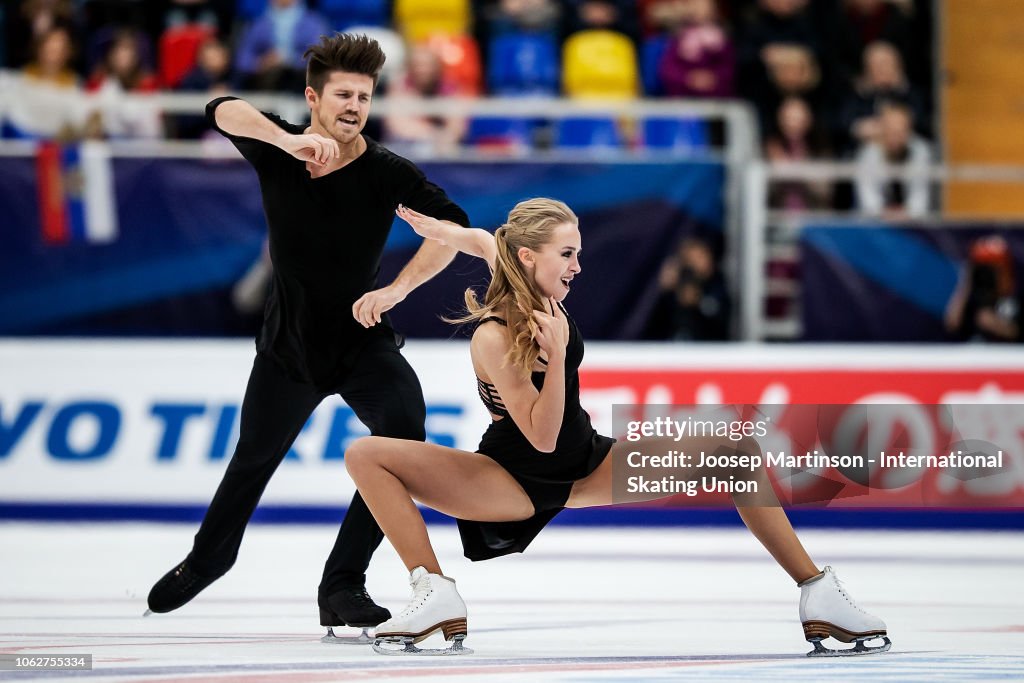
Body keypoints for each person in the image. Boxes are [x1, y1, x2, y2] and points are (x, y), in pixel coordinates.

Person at [341, 199, 891, 656]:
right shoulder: (496, 335)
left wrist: (445, 234)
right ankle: (434, 591)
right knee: (367, 454)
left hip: (586, 464)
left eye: (578, 251)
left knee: (736, 450)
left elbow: (488, 242)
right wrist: (554, 359)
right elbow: (541, 438)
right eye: (567, 253)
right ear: (530, 257)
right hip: (510, 480)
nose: (578, 265)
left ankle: (817, 594)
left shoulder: (530, 280)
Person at [145, 33, 472, 642]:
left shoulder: (386, 172)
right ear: (313, 97)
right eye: (343, 94)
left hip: (362, 342)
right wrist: (287, 139)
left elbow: (454, 227)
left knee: (405, 443)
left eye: (364, 97)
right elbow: (220, 108)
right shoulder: (278, 148)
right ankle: (209, 559)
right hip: (288, 349)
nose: (353, 106)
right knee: (252, 461)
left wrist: (397, 290)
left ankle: (342, 584)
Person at [945, 235, 1022, 343]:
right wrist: (967, 282)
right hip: (978, 354)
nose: (987, 274)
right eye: (984, 268)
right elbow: (952, 323)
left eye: (992, 268)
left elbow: (1017, 332)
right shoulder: (975, 297)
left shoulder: (1017, 295)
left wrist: (995, 324)